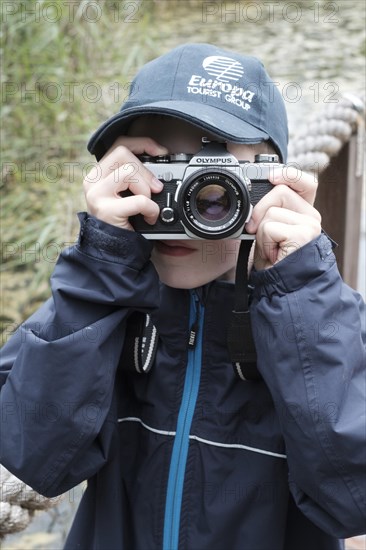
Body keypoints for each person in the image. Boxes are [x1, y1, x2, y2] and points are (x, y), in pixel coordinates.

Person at [0, 43, 365, 550]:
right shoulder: (98, 307)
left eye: (214, 179)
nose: (188, 198)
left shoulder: (320, 317)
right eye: (158, 167)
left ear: (269, 180)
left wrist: (303, 292)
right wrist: (100, 268)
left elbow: (354, 496)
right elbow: (22, 459)